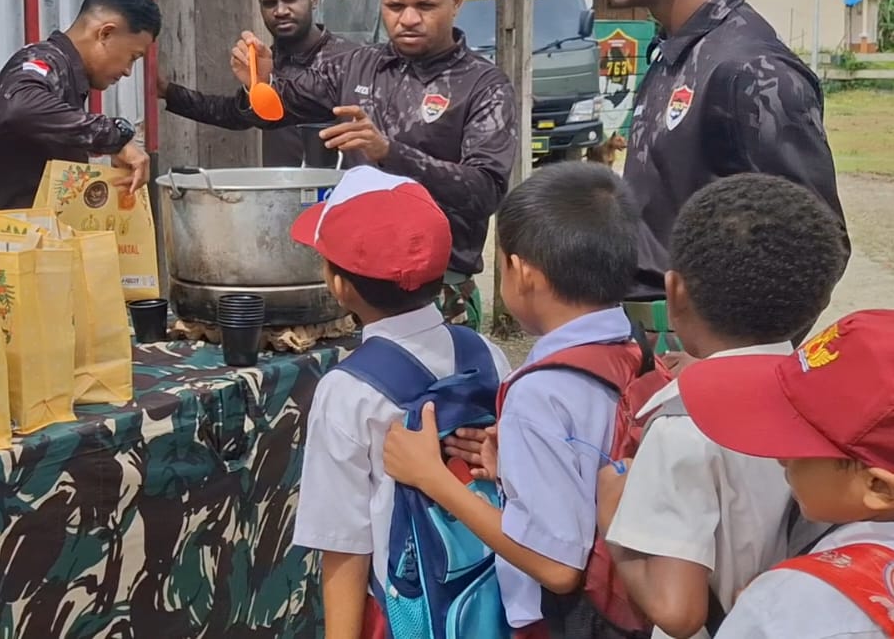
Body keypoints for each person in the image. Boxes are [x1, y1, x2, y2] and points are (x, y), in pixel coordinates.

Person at [586, 0, 847, 346]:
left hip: (703, 363)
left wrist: (733, 368)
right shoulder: (673, 50)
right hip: (649, 345)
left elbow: (819, 247)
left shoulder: (750, 66)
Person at [383, 162, 645, 637]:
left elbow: (557, 566)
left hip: (562, 622)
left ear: (521, 272)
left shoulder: (540, 392)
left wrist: (433, 479)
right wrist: (514, 472)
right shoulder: (630, 344)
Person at [595, 174, 850, 639]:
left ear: (674, 293)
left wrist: (613, 521)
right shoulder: (830, 394)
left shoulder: (683, 426)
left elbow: (678, 612)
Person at [232, 0, 517, 330]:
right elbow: (282, 108)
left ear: (457, 1)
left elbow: (485, 191)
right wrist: (261, 81)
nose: (409, 19)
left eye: (426, 5)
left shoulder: (483, 84)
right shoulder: (358, 65)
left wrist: (389, 152)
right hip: (356, 289)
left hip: (436, 292)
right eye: (395, 6)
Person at [288, 165, 511, 638]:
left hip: (402, 618)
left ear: (339, 285)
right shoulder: (487, 355)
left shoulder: (348, 390)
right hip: (493, 599)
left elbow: (344, 542)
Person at [674, 310, 894, 638]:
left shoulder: (800, 605)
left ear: (878, 486)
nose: (781, 458)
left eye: (800, 446)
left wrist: (771, 605)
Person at [0, 0, 158, 227]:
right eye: (133, 57)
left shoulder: (66, 73)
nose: (128, 71)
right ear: (106, 33)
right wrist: (112, 137)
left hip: (33, 237)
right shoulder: (44, 60)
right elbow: (19, 107)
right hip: (1, 243)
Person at [157, 0, 357, 167]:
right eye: (270, 3)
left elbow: (307, 100)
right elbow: (234, 113)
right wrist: (168, 91)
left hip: (338, 194)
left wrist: (266, 82)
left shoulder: (350, 59)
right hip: (278, 192)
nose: (280, 11)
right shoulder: (268, 60)